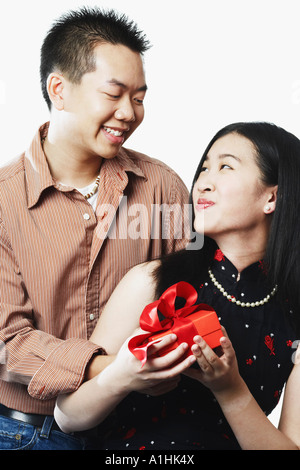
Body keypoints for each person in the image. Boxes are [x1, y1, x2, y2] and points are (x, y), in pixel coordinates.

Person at [0, 7, 189, 450]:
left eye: (139, 97)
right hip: (27, 432)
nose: (129, 113)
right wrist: (115, 369)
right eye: (114, 93)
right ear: (59, 89)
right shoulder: (4, 200)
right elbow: (8, 343)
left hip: (141, 431)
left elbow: (196, 288)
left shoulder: (161, 186)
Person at [54, 121, 300, 450]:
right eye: (204, 168)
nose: (203, 183)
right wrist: (124, 374)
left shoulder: (293, 315)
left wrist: (231, 390)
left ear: (273, 196)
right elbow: (67, 416)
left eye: (225, 166)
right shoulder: (153, 281)